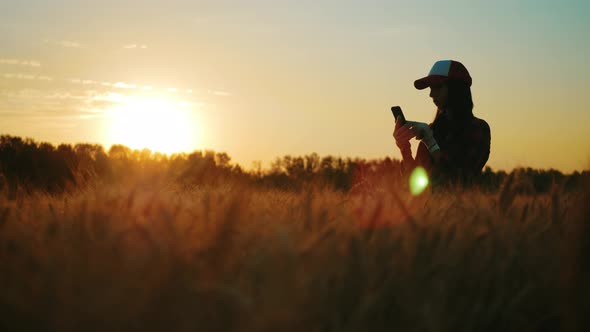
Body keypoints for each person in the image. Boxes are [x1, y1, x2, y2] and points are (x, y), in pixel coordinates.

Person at [393, 60, 491, 186]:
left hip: (464, 206)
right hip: (429, 206)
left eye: (438, 87)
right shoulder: (431, 131)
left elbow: (460, 179)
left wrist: (431, 143)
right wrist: (405, 149)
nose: (431, 94)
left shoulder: (478, 129)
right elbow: (415, 185)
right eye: (431, 88)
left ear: (457, 89)